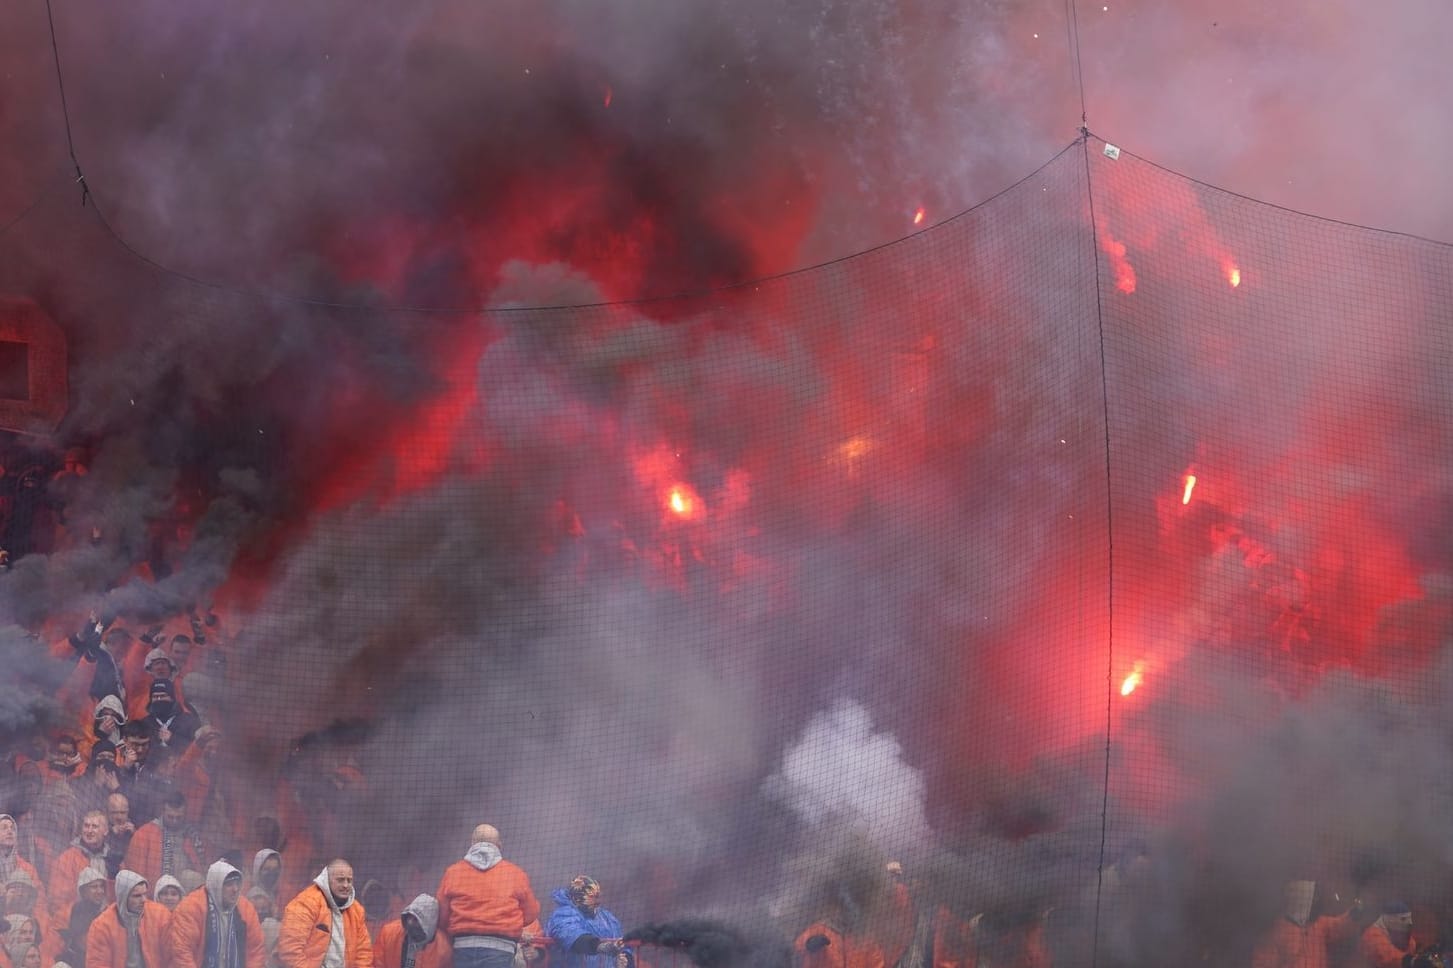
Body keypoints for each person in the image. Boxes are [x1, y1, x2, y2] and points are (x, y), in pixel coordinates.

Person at [436, 826, 538, 968]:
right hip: (502, 949)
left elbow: (442, 915)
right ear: (499, 845)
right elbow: (531, 913)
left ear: (472, 844)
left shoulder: (453, 872)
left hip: (463, 948)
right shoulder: (516, 874)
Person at [167, 860, 265, 968]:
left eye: (237, 883)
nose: (235, 889)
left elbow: (256, 951)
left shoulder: (246, 909)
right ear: (216, 885)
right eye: (229, 884)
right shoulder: (190, 908)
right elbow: (182, 952)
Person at [277, 860, 371, 968]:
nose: (346, 885)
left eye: (349, 881)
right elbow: (290, 951)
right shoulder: (305, 903)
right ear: (327, 880)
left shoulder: (357, 910)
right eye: (340, 880)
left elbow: (363, 954)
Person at [1250, 880, 1360, 968]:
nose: (1318, 901)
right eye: (1314, 896)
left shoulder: (1319, 924)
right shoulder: (1276, 932)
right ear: (1302, 900)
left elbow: (1341, 924)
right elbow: (1262, 963)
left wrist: (1360, 909)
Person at [84, 869, 170, 968]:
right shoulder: (101, 926)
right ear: (123, 897)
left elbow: (172, 955)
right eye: (137, 896)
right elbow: (97, 963)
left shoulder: (160, 915)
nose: (144, 900)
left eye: (145, 894)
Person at [544, 877, 629, 968]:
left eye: (598, 896)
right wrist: (599, 946)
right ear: (576, 898)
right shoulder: (562, 915)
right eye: (592, 897)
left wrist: (624, 961)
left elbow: (624, 946)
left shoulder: (608, 918)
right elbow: (571, 935)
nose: (598, 901)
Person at [124, 795, 200, 887]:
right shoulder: (144, 834)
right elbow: (136, 872)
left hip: (186, 891)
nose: (174, 821)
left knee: (190, 876)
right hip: (156, 891)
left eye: (178, 817)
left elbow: (201, 866)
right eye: (170, 817)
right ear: (163, 812)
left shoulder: (191, 834)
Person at [49, 813, 108, 918]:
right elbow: (57, 901)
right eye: (86, 826)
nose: (89, 831)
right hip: (78, 920)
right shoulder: (66, 859)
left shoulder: (113, 859)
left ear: (105, 831)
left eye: (94, 826)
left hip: (108, 919)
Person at [372, 896, 447, 968]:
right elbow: (377, 963)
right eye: (409, 917)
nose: (410, 922)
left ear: (428, 924)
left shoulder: (443, 948)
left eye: (416, 919)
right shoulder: (388, 933)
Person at [58, 869, 107, 967]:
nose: (99, 891)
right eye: (94, 887)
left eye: (101, 886)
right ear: (83, 890)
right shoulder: (77, 910)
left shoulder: (106, 911)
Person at [1358, 902, 1417, 968]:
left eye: (1410, 918)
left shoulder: (1401, 934)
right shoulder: (1372, 935)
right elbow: (1386, 956)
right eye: (1403, 919)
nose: (1409, 922)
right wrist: (1411, 961)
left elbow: (1410, 949)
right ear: (1390, 919)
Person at [0, 818, 41, 901]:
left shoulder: (28, 869)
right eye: (4, 828)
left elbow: (40, 904)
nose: (10, 831)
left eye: (12, 828)